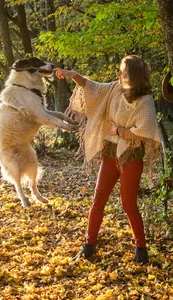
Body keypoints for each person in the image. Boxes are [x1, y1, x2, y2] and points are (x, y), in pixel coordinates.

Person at [55, 55, 162, 265]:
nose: (118, 74)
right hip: (110, 153)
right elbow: (92, 87)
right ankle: (89, 245)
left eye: (122, 71)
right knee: (98, 199)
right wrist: (73, 75)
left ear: (133, 75)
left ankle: (141, 249)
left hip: (131, 156)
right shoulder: (114, 88)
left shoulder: (145, 101)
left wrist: (119, 131)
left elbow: (146, 129)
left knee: (128, 204)